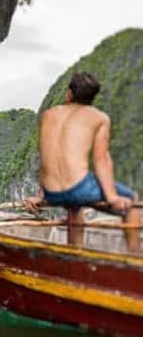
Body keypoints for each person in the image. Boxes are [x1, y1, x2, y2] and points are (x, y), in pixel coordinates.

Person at [25, 73, 140, 250]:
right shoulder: (99, 118)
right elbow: (101, 159)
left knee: (74, 207)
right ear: (92, 97)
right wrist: (112, 197)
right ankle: (134, 258)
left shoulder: (48, 115)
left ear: (69, 94)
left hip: (51, 192)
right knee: (131, 201)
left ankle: (75, 251)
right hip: (77, 189)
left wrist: (41, 195)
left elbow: (46, 157)